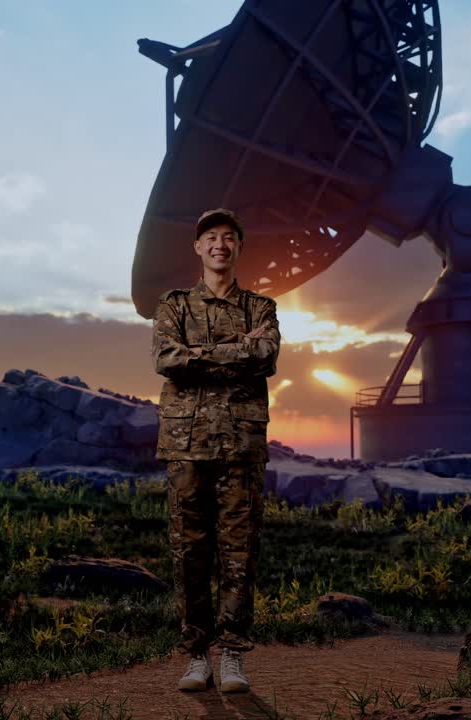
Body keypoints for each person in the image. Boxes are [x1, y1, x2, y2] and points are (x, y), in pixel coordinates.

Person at [151, 207, 280, 693]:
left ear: (238, 247)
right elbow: (166, 359)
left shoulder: (261, 308)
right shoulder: (175, 304)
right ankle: (196, 654)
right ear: (198, 247)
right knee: (190, 553)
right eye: (211, 237)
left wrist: (199, 355)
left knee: (239, 553)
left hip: (241, 446)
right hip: (186, 447)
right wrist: (233, 351)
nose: (220, 244)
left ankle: (231, 655)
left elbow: (265, 356)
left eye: (229, 237)